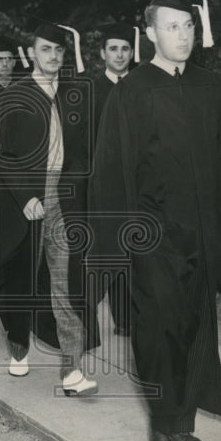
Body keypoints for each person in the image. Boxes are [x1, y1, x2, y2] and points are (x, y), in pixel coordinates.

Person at [90, 0, 221, 441]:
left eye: (188, 25)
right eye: (171, 26)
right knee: (158, 327)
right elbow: (111, 169)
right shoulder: (132, 91)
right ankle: (161, 428)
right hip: (153, 233)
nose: (182, 35)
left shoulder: (211, 86)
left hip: (203, 229)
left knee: (194, 326)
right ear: (150, 33)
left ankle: (182, 420)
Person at [0, 18, 100, 394]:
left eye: (58, 50)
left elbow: (84, 151)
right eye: (45, 49)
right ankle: (18, 345)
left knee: (66, 282)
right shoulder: (14, 95)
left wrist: (81, 190)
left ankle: (71, 369)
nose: (53, 56)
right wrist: (25, 197)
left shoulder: (75, 94)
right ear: (31, 53)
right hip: (25, 199)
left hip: (64, 198)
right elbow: (0, 155)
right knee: (19, 279)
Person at [91, 21, 139, 337]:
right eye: (113, 49)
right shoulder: (91, 91)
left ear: (132, 52)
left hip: (137, 183)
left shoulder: (143, 88)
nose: (119, 55)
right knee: (106, 251)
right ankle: (98, 316)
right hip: (103, 185)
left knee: (136, 250)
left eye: (124, 49)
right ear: (102, 53)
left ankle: (129, 317)